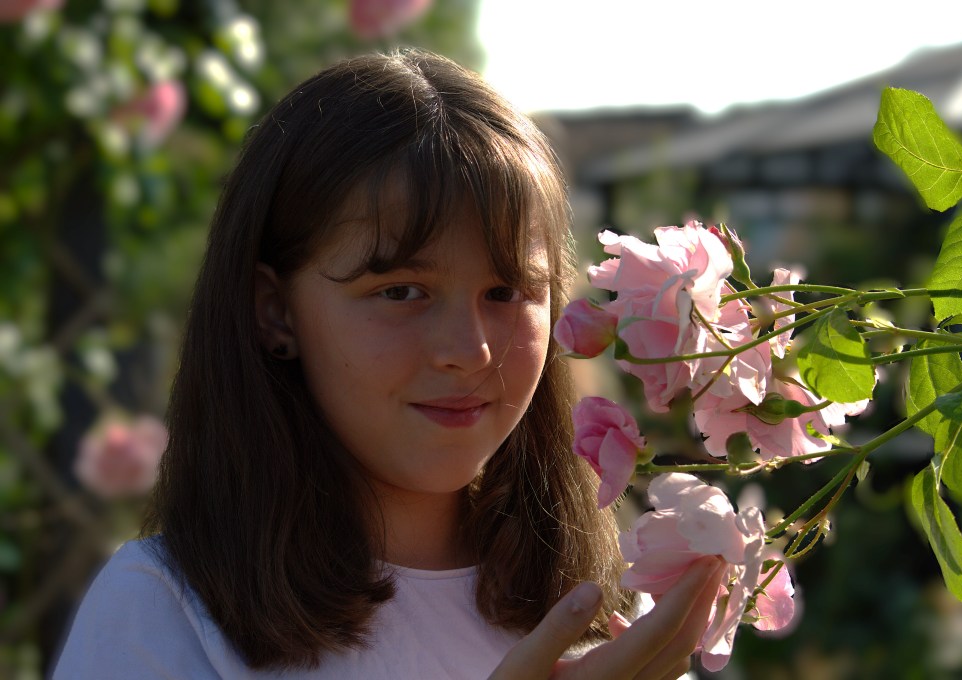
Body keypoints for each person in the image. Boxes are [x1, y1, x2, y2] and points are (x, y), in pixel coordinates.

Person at [52, 49, 725, 679]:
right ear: (273, 310)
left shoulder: (614, 609)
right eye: (401, 291)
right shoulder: (164, 612)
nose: (469, 350)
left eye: (507, 292)